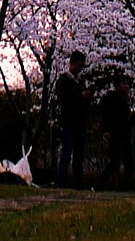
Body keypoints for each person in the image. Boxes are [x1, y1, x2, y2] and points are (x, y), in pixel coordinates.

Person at [54, 51, 88, 187]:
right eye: (79, 65)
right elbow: (63, 101)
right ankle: (61, 181)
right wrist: (80, 96)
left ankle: (78, 183)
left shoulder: (79, 82)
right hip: (69, 123)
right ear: (72, 63)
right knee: (66, 154)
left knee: (79, 156)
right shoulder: (63, 81)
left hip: (80, 124)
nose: (80, 69)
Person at [97, 73, 135, 189]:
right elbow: (105, 115)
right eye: (124, 84)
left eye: (127, 84)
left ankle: (128, 187)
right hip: (115, 135)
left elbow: (126, 119)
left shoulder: (124, 101)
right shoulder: (111, 99)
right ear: (118, 86)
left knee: (128, 162)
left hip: (125, 135)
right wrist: (106, 130)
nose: (127, 86)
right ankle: (99, 185)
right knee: (115, 162)